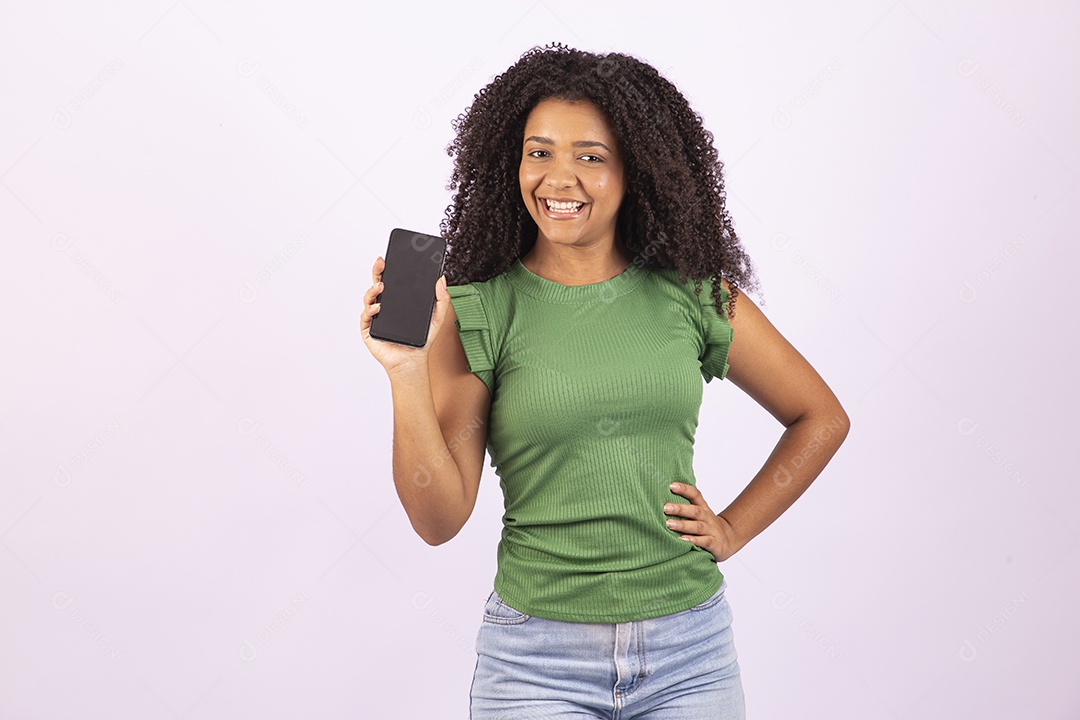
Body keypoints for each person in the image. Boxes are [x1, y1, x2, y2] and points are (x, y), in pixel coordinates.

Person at [360, 43, 850, 719]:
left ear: (635, 171)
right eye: (539, 152)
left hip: (690, 654)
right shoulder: (479, 310)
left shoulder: (693, 297)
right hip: (536, 663)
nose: (559, 179)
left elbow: (820, 417)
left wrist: (733, 528)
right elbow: (438, 519)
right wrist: (407, 373)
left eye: (590, 156)